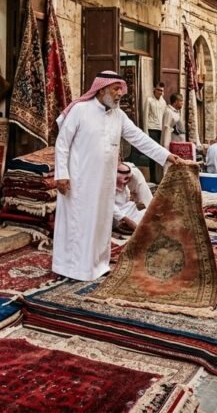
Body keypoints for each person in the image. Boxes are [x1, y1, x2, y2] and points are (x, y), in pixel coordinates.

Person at [53, 71, 186, 281]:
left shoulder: (119, 116)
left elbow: (140, 139)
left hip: (104, 181)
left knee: (101, 222)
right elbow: (62, 143)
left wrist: (167, 156)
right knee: (79, 223)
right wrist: (62, 174)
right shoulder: (80, 110)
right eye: (115, 89)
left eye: (120, 90)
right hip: (79, 180)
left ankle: (97, 265)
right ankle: (71, 268)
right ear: (102, 89)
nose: (119, 94)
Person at [114, 162, 152, 234]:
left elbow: (127, 200)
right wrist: (128, 221)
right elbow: (111, 207)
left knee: (149, 214)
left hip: (130, 211)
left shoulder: (123, 183)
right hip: (120, 216)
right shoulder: (107, 184)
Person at [145, 82, 167, 180]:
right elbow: (145, 116)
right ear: (154, 89)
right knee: (152, 153)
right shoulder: (149, 100)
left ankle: (159, 177)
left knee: (160, 153)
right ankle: (153, 178)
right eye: (158, 90)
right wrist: (145, 132)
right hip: (151, 128)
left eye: (161, 91)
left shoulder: (163, 102)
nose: (160, 92)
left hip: (161, 130)